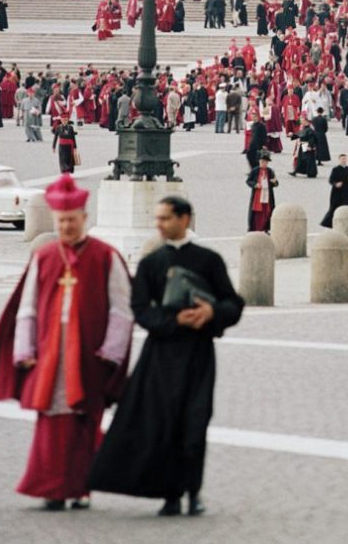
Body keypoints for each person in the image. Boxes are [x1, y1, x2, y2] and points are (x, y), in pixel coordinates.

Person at [0, 175, 133, 511]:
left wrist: (111, 353)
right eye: (61, 222)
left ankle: (80, 486)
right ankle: (51, 486)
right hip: (49, 350)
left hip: (90, 352)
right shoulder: (44, 256)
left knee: (84, 419)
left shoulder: (106, 256)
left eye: (72, 221)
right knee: (51, 419)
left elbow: (121, 310)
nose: (66, 227)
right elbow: (27, 308)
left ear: (84, 219)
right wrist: (24, 350)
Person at [88, 196, 244, 517]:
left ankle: (193, 492)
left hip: (198, 353)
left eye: (165, 218)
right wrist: (174, 321)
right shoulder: (151, 263)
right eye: (157, 218)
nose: (158, 224)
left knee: (195, 422)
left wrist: (211, 312)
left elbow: (234, 303)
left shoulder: (208, 260)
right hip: (160, 356)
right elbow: (140, 309)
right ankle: (170, 493)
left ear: (185, 218)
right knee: (163, 423)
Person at [320, 154, 348, 228]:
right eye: (342, 159)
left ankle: (347, 223)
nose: (344, 160)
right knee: (334, 208)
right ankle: (328, 223)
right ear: (339, 160)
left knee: (347, 207)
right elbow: (331, 180)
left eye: (345, 159)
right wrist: (336, 184)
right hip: (337, 192)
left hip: (346, 191)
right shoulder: (335, 169)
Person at [246, 151, 278, 232]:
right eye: (262, 161)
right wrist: (255, 185)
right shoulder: (255, 171)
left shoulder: (270, 171)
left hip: (267, 194)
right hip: (258, 194)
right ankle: (255, 228)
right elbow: (248, 181)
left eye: (265, 162)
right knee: (257, 211)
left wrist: (274, 182)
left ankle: (265, 227)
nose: (263, 163)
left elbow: (276, 183)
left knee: (267, 211)